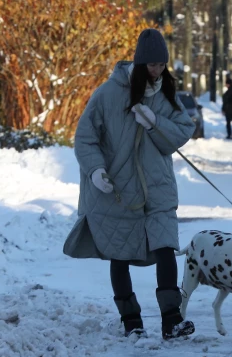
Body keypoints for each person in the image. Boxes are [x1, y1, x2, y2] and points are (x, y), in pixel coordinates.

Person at [63, 28, 196, 340]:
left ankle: (171, 320)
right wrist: (96, 171)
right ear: (138, 63)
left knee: (166, 249)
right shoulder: (107, 95)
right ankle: (131, 321)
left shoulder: (165, 94)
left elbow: (181, 132)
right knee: (119, 255)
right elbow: (85, 139)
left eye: (162, 65)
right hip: (119, 192)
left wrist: (153, 121)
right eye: (151, 65)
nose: (157, 71)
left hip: (158, 189)